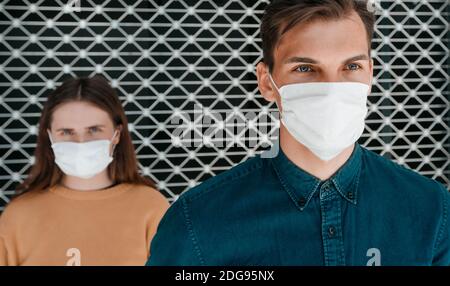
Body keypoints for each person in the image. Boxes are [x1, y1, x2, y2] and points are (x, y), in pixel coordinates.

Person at [146, 0, 450, 266]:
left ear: (370, 73)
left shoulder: (432, 211)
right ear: (266, 81)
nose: (331, 87)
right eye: (305, 69)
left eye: (351, 66)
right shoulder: (198, 223)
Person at [0, 75, 169, 266]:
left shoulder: (151, 208)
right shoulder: (18, 216)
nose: (81, 142)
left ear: (116, 135)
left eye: (94, 130)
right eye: (66, 132)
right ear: (50, 136)